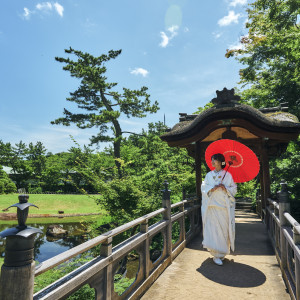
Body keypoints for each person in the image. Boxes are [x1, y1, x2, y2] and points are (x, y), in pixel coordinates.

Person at [201, 153, 237, 266]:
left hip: (223, 207)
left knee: (222, 230)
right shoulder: (208, 175)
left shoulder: (228, 175)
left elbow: (234, 189)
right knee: (213, 230)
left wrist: (225, 188)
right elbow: (204, 187)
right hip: (211, 207)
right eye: (212, 160)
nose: (212, 162)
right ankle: (215, 254)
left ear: (220, 162)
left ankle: (222, 253)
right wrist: (212, 188)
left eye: (214, 160)